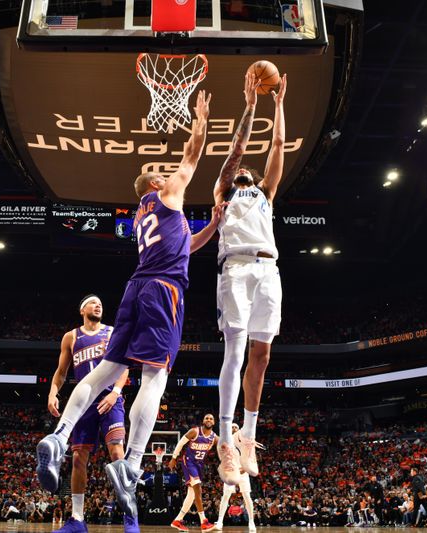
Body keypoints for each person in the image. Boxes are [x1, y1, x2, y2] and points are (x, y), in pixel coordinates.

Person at [36, 91, 217, 521]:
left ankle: (59, 437)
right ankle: (133, 465)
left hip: (135, 288)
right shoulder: (169, 191)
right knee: (155, 377)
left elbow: (187, 245)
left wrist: (213, 222)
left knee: (106, 373)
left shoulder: (142, 215)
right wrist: (201, 121)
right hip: (164, 290)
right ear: (155, 185)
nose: (165, 174)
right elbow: (192, 155)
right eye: (159, 173)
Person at [213, 70, 287, 484]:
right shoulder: (225, 190)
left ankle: (248, 436)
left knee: (262, 355)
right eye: (240, 173)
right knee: (236, 352)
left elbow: (277, 144)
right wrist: (251, 105)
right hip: (236, 268)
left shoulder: (265, 194)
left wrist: (278, 105)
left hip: (268, 269)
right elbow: (236, 151)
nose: (243, 174)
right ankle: (226, 442)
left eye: (247, 174)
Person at [46, 294, 131, 533]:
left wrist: (116, 392)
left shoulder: (113, 332)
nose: (99, 305)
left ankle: (128, 515)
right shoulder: (71, 337)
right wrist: (53, 392)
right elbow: (61, 372)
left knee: (117, 453)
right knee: (78, 458)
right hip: (84, 401)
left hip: (109, 398)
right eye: (93, 302)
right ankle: (77, 519)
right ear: (82, 309)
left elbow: (124, 364)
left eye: (101, 303)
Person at [168, 414, 217, 532]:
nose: (209, 420)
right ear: (203, 421)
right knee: (198, 490)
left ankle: (177, 520)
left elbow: (225, 447)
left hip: (199, 465)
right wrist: (174, 458)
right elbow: (180, 443)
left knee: (191, 494)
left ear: (214, 423)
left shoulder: (214, 438)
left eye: (211, 419)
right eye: (206, 418)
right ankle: (203, 522)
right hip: (189, 462)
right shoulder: (194, 431)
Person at [214, 423, 256, 532]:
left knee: (247, 496)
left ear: (239, 430)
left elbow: (251, 458)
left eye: (236, 427)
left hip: (243, 471)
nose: (233, 428)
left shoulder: (245, 442)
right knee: (226, 496)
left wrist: (245, 468)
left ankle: (251, 522)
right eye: (232, 427)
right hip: (231, 471)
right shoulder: (225, 442)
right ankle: (220, 521)